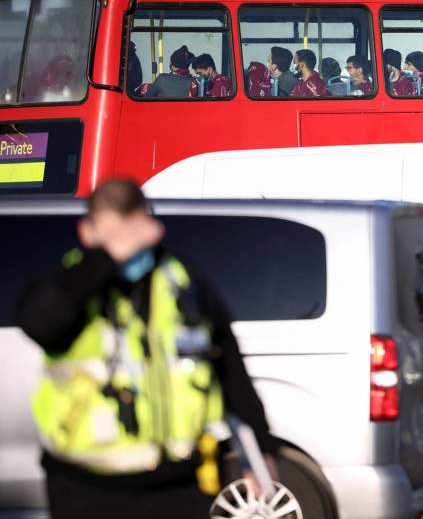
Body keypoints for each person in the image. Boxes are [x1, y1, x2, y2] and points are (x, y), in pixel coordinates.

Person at [15, 178, 279, 519]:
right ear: (88, 234)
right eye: (113, 236)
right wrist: (105, 260)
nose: (125, 247)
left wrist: (260, 450)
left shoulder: (182, 282)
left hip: (178, 485)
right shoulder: (70, 282)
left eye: (132, 234)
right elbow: (40, 324)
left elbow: (228, 366)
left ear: (149, 226)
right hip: (86, 489)